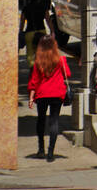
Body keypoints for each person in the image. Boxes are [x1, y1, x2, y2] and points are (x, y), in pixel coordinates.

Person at [27, 34, 71, 162]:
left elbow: (34, 80)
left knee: (41, 120)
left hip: (42, 94)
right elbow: (67, 74)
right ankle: (51, 152)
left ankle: (41, 149)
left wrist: (31, 97)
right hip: (57, 93)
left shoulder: (38, 60)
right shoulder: (61, 59)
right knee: (54, 121)